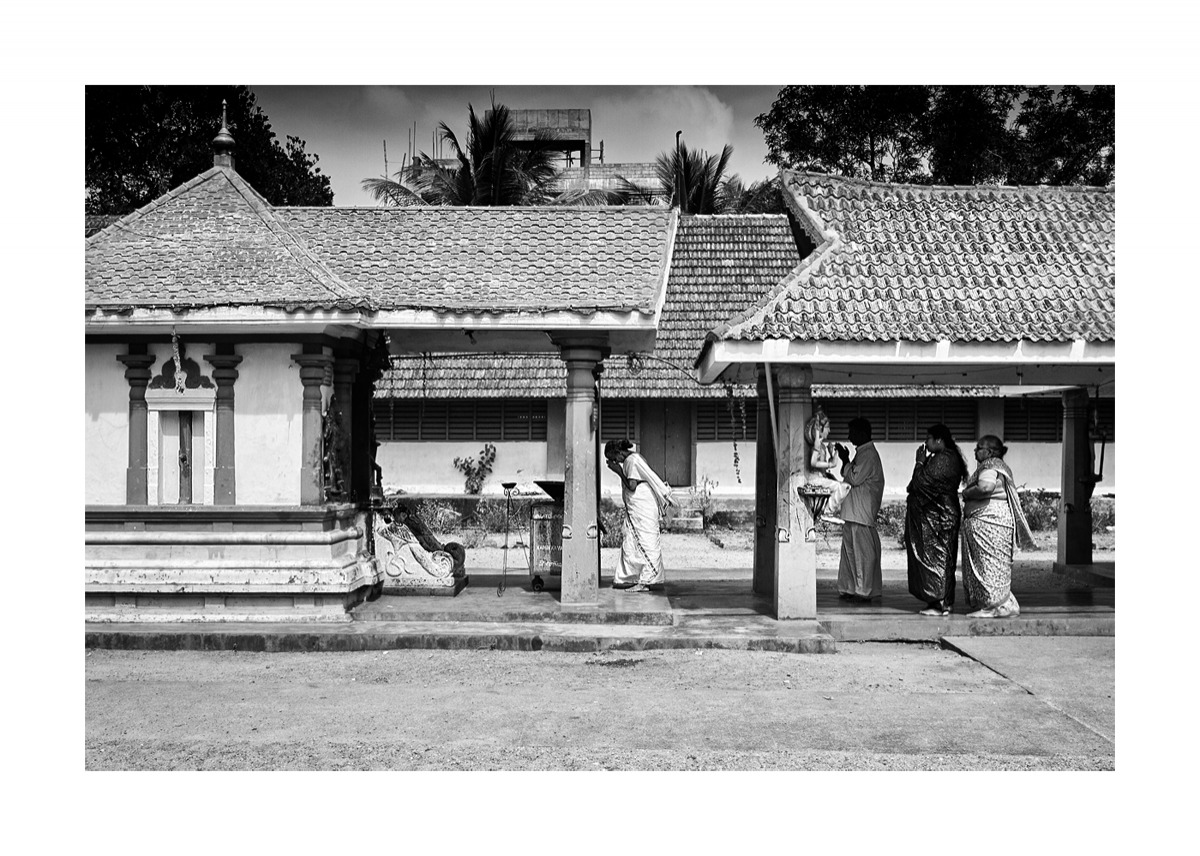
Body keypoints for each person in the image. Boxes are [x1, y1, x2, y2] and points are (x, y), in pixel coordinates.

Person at [960, 435, 1037, 618]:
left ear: (989, 451)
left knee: (989, 566)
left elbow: (986, 487)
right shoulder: (1000, 466)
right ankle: (1004, 604)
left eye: (978, 448)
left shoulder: (990, 465)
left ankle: (993, 606)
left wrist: (966, 492)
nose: (975, 452)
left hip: (990, 524)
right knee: (994, 566)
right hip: (995, 523)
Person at [905, 424, 968, 616]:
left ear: (939, 439)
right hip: (935, 517)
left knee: (939, 559)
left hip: (940, 517)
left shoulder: (945, 460)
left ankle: (940, 602)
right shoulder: (941, 458)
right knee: (935, 558)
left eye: (929, 438)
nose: (926, 442)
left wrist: (919, 462)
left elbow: (921, 484)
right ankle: (938, 601)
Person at [605, 439, 678, 592]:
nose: (614, 461)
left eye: (614, 458)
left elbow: (631, 486)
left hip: (642, 506)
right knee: (635, 539)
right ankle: (634, 577)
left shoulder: (631, 461)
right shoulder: (635, 457)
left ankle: (646, 580)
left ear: (619, 453)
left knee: (645, 540)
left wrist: (618, 471)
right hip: (640, 506)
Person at [836, 418, 885, 602]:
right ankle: (849, 588)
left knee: (863, 555)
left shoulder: (869, 455)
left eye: (852, 432)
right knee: (849, 554)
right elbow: (849, 474)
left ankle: (864, 591)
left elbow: (854, 478)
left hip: (862, 513)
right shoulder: (862, 453)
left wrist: (845, 460)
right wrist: (846, 461)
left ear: (862, 433)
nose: (849, 436)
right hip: (854, 512)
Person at [805, 404, 851, 517]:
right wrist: (830, 463)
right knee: (843, 487)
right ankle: (828, 511)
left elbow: (829, 465)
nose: (829, 430)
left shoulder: (822, 446)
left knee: (844, 486)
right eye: (827, 427)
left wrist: (833, 454)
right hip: (815, 479)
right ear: (820, 429)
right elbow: (813, 462)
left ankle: (827, 510)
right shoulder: (817, 445)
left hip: (822, 477)